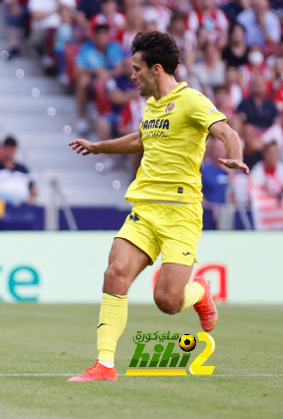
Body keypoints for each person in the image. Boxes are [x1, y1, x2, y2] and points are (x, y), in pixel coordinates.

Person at [68, 31, 248, 382]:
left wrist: (235, 156)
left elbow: (227, 132)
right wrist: (98, 147)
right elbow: (140, 139)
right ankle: (104, 365)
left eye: (136, 69)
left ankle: (200, 292)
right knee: (114, 273)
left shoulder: (191, 100)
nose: (131, 75)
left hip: (181, 213)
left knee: (167, 301)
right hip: (145, 208)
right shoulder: (151, 105)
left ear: (156, 68)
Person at [0, 136, 36, 206]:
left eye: (12, 149)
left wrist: (30, 199)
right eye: (7, 148)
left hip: (20, 208)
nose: (10, 151)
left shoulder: (23, 169)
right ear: (2, 148)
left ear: (15, 150)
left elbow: (33, 190)